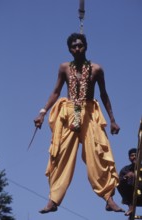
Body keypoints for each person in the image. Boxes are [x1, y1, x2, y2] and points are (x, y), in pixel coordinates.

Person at [34, 33, 124, 214]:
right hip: (69, 112)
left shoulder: (96, 69)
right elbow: (56, 91)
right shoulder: (64, 68)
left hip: (90, 113)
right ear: (69, 49)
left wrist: (113, 120)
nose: (77, 49)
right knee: (60, 154)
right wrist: (42, 113)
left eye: (80, 45)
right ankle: (53, 199)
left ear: (86, 47)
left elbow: (104, 94)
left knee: (99, 153)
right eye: (74, 46)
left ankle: (108, 198)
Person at [117, 148, 142, 216]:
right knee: (118, 182)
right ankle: (131, 207)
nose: (134, 157)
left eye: (136, 155)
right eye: (132, 155)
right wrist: (126, 176)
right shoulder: (125, 169)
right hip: (133, 197)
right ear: (129, 158)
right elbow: (119, 182)